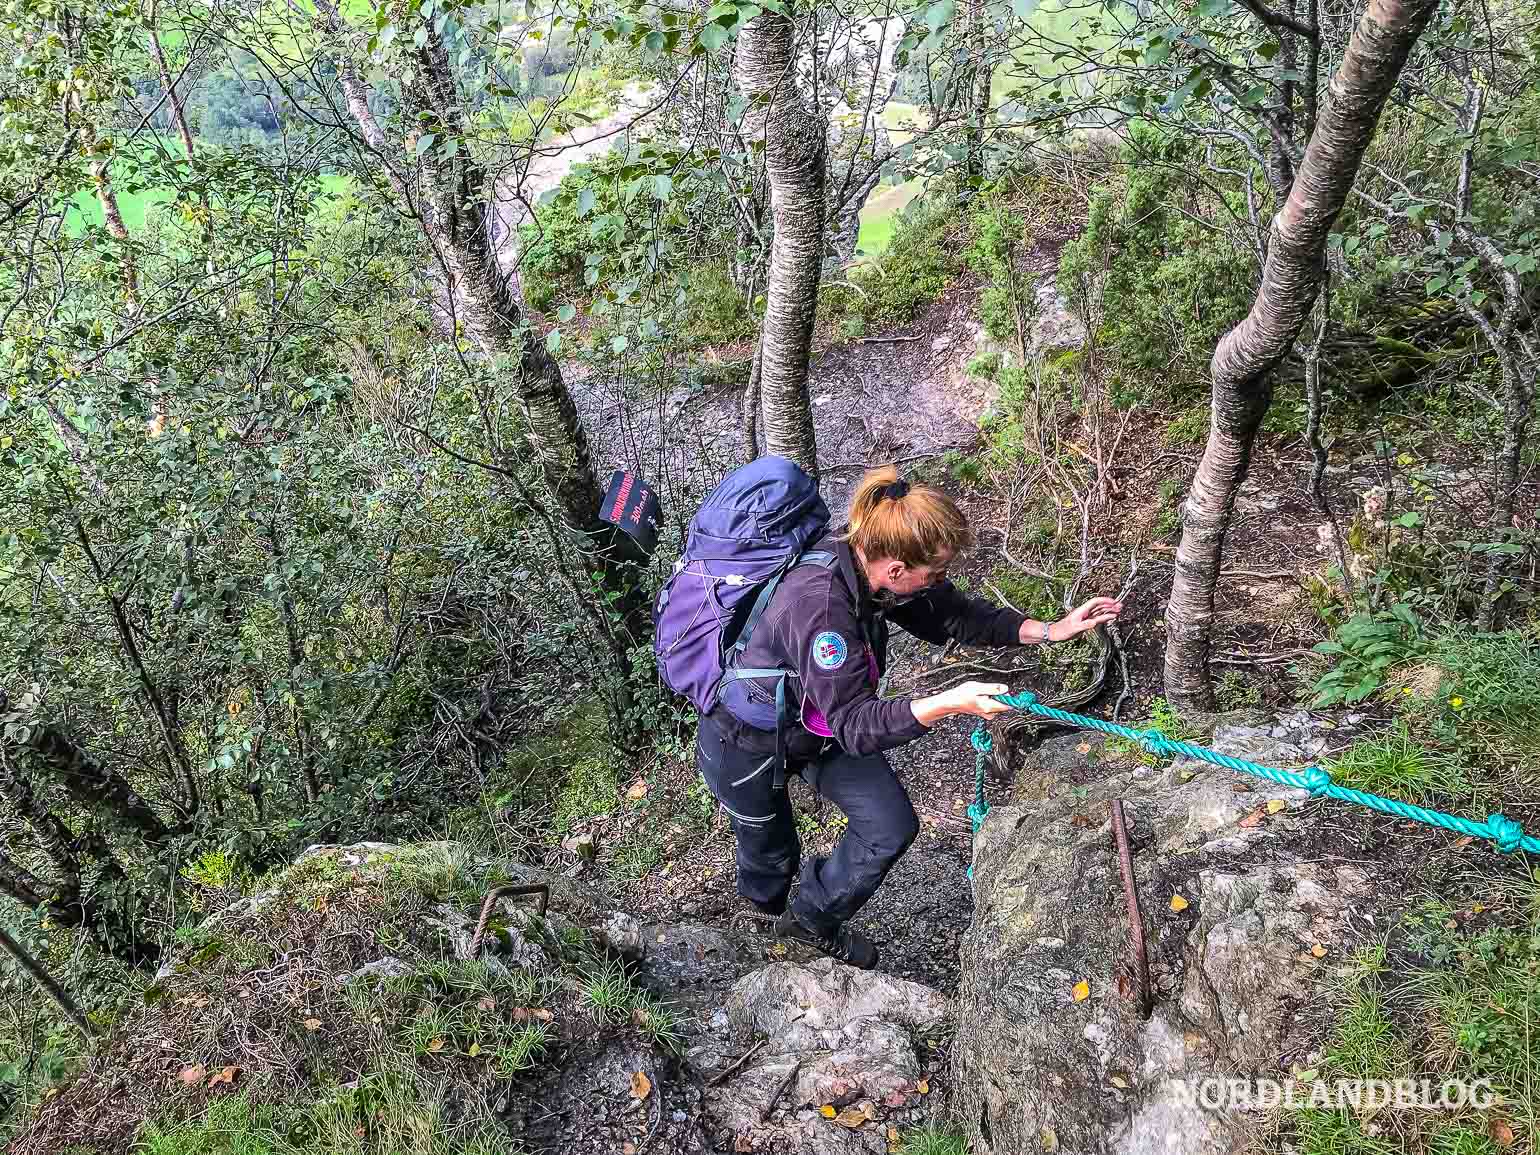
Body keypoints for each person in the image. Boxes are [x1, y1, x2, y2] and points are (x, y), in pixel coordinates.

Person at [695, 466, 1122, 969]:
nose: (939, 581)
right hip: (747, 737)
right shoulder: (820, 608)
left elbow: (956, 616)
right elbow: (856, 725)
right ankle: (764, 931)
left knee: (889, 825)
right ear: (896, 569)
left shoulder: (872, 576)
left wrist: (1051, 629)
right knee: (770, 853)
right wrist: (948, 702)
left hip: (818, 725)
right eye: (934, 573)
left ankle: (808, 922)